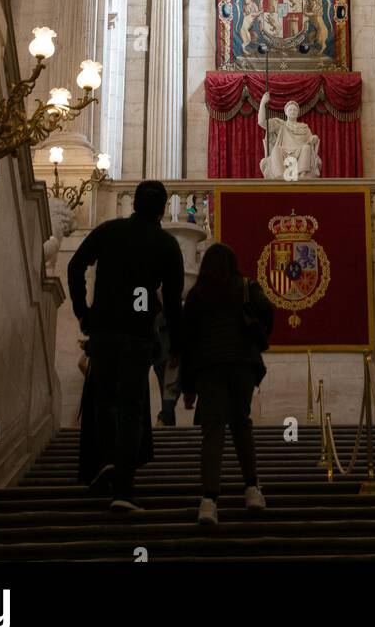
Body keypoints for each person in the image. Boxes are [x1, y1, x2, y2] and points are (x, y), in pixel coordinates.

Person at [67, 179, 184, 511]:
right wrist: (177, 343)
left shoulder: (109, 231)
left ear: (133, 204)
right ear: (163, 209)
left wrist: (83, 313)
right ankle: (123, 486)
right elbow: (173, 303)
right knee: (132, 406)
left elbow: (75, 266)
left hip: (103, 331)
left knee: (104, 400)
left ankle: (105, 459)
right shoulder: (165, 245)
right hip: (137, 334)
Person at [181, 242, 274, 528]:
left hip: (209, 367)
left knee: (213, 431)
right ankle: (251, 489)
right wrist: (255, 336)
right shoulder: (246, 286)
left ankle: (209, 501)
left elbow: (188, 342)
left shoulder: (197, 295)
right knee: (241, 423)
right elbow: (268, 313)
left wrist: (187, 388)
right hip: (241, 364)